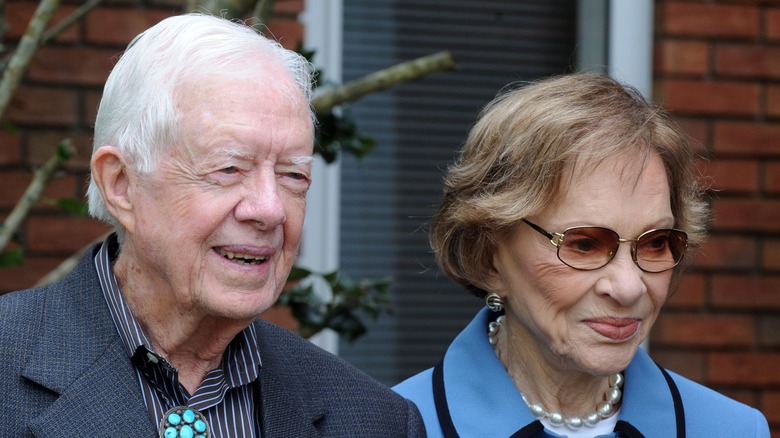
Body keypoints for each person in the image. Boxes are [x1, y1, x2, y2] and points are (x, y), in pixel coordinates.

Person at [0, 13, 424, 437]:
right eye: (229, 168)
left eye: (293, 175)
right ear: (122, 184)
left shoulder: (374, 420)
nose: (270, 209)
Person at [393, 73, 770, 437]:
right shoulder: (392, 426)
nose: (628, 287)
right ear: (488, 257)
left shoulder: (734, 429)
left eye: (655, 243)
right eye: (585, 244)